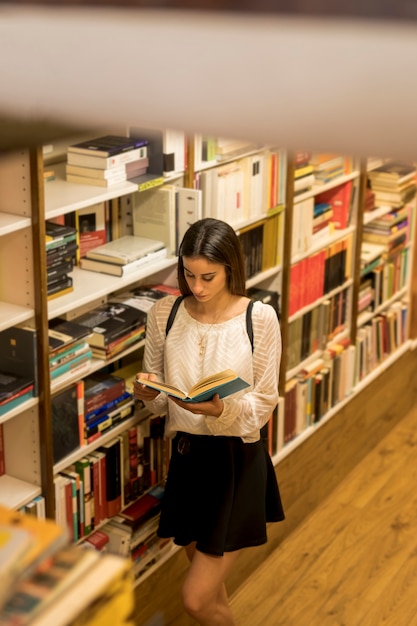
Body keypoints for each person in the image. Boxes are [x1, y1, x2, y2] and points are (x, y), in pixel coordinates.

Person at [134, 217, 285, 626]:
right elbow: (160, 404)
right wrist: (147, 394)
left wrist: (223, 411)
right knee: (213, 599)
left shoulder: (259, 319)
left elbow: (264, 404)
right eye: (188, 274)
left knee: (196, 600)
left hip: (236, 463)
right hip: (187, 459)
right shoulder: (164, 313)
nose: (196, 287)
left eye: (208, 276)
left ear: (231, 268)